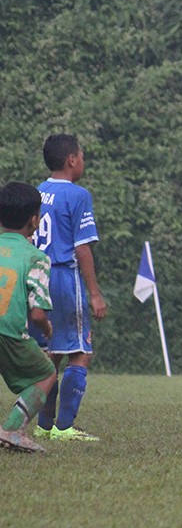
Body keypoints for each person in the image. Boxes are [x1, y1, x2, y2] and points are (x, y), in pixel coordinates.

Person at [31, 134, 107, 442]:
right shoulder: (78, 195)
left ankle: (42, 425)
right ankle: (64, 428)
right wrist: (95, 293)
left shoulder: (38, 192)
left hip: (39, 278)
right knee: (80, 351)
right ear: (71, 160)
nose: (84, 162)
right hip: (65, 279)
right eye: (83, 156)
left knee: (50, 354)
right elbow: (82, 249)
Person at [0, 182, 58, 453]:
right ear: (35, 220)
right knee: (46, 373)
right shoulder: (36, 257)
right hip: (9, 333)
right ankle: (12, 428)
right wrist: (46, 327)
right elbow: (37, 314)